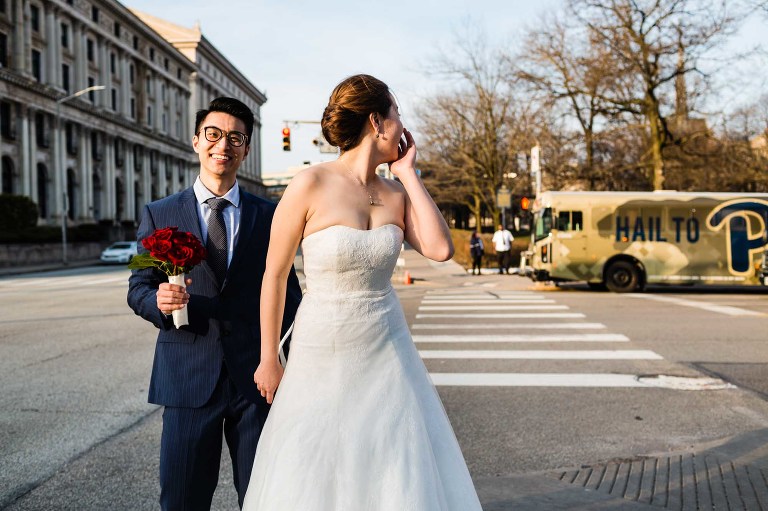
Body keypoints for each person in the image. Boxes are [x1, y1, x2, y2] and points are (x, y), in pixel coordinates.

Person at [242, 75, 482, 510]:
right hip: (322, 348)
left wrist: (408, 174)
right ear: (377, 121)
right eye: (397, 115)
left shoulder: (395, 191)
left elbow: (440, 249)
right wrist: (268, 357)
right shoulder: (308, 184)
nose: (402, 124)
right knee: (315, 463)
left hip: (388, 347)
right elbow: (274, 276)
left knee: (392, 457)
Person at [127, 97, 303, 511]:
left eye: (236, 138)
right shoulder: (158, 214)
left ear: (245, 149)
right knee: (182, 500)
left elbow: (290, 296)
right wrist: (157, 301)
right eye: (213, 133)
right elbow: (137, 284)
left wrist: (279, 359)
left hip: (257, 381)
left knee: (266, 498)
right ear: (195, 141)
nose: (223, 144)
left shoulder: (271, 215)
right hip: (187, 379)